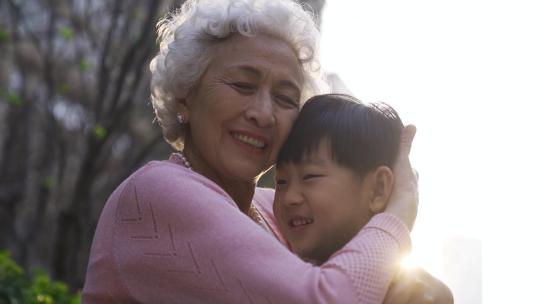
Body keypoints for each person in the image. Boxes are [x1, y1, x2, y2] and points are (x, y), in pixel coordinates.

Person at [82, 0, 453, 303]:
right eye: (243, 85)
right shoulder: (157, 193)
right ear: (185, 96)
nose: (263, 113)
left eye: (285, 98)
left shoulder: (274, 208)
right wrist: (398, 214)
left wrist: (418, 286)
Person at [273, 94, 406, 266]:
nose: (289, 198)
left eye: (310, 176)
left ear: (377, 189)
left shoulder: (407, 291)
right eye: (281, 182)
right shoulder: (281, 275)